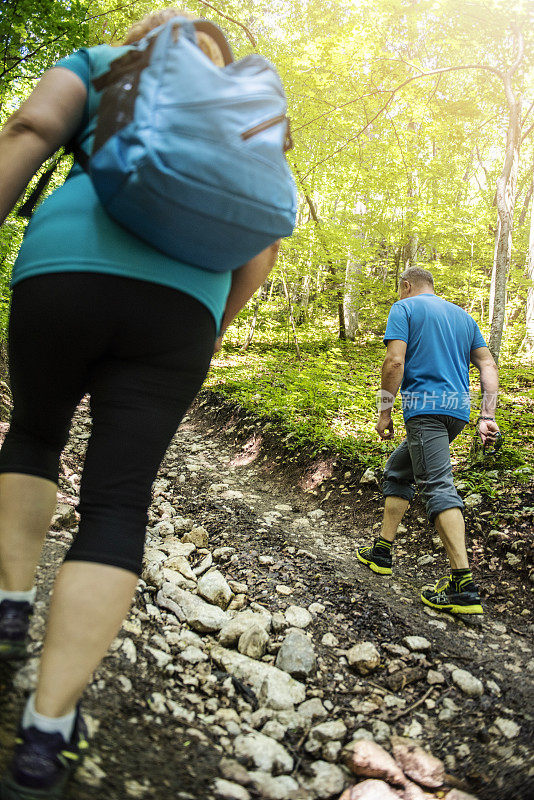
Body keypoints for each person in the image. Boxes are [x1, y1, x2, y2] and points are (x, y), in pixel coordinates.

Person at [0, 8, 281, 799]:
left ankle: (9, 608)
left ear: (146, 39)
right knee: (119, 503)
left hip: (63, 269)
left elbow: (28, 129)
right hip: (182, 310)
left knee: (32, 435)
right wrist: (205, 328)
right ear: (219, 60)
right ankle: (46, 735)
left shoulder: (103, 61)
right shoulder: (246, 105)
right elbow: (261, 247)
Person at [357, 267, 500, 616]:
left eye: (400, 289)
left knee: (437, 486)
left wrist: (384, 411)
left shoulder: (404, 308)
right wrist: (487, 414)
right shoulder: (464, 317)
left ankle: (462, 585)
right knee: (398, 470)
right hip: (456, 413)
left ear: (406, 286)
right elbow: (487, 364)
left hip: (425, 410)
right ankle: (382, 551)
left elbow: (394, 361)